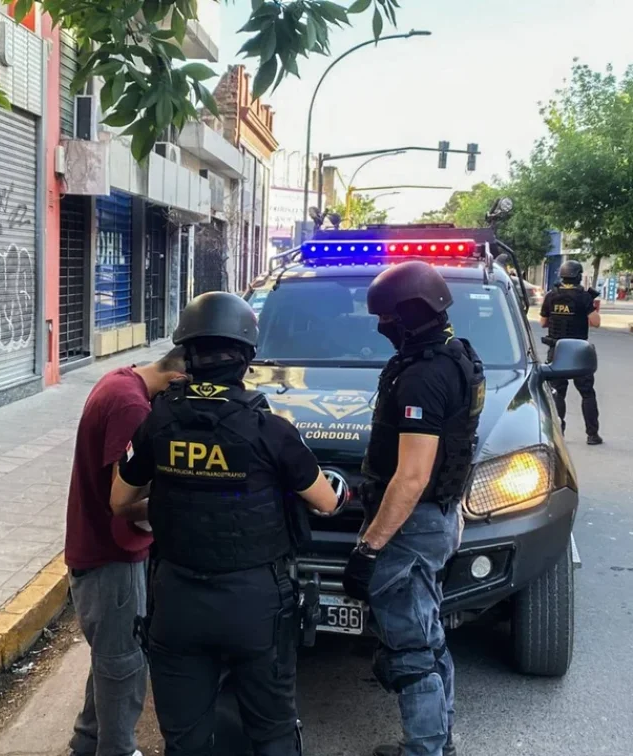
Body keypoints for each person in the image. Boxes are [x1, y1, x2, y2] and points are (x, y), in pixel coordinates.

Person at [110, 291, 342, 756]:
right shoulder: (271, 430)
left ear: (188, 356)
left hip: (177, 600)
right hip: (254, 605)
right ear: (246, 359)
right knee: (272, 731)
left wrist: (176, 502)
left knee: (185, 739)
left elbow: (119, 501)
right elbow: (325, 502)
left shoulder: (158, 423)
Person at [343, 261, 485, 756]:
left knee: (409, 647)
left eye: (386, 318)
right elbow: (458, 448)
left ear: (408, 315)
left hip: (410, 525)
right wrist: (455, 511)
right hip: (436, 516)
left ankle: (424, 748)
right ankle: (440, 741)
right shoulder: (456, 356)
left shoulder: (424, 376)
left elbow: (412, 474)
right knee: (429, 634)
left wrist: (367, 548)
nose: (382, 327)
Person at [63, 347, 188, 756]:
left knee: (110, 656)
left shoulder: (120, 379)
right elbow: (125, 499)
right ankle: (116, 749)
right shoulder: (132, 407)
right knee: (124, 666)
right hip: (111, 556)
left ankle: (88, 740)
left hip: (98, 548)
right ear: (175, 381)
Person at [539, 260, 602, 444]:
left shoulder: (551, 296)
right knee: (587, 392)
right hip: (578, 351)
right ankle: (592, 435)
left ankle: (559, 433)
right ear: (578, 276)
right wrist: (590, 305)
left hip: (557, 350)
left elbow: (543, 322)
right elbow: (596, 322)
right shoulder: (584, 298)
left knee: (558, 392)